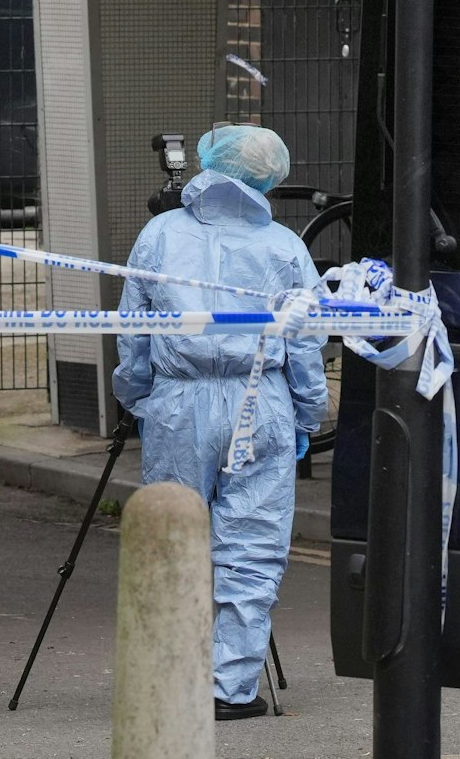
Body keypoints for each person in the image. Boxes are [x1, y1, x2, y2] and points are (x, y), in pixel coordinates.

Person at [111, 124, 328, 721]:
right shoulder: (285, 247)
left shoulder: (158, 235)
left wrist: (138, 398)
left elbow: (134, 333)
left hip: (178, 402)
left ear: (209, 165)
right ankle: (229, 688)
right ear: (270, 178)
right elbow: (307, 343)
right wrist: (308, 412)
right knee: (251, 549)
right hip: (261, 402)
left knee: (173, 543)